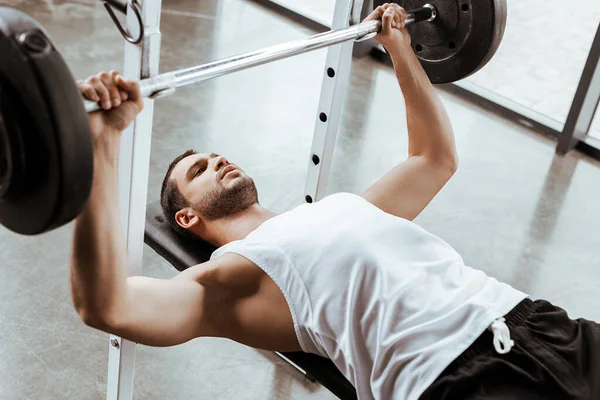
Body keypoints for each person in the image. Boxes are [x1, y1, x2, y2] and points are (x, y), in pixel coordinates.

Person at [70, 4, 600, 400]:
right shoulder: (229, 281)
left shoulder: (343, 210)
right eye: (199, 170)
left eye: (216, 154)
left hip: (535, 325)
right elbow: (106, 306)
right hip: (455, 379)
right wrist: (102, 145)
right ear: (187, 216)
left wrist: (400, 48)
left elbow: (435, 158)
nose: (219, 162)